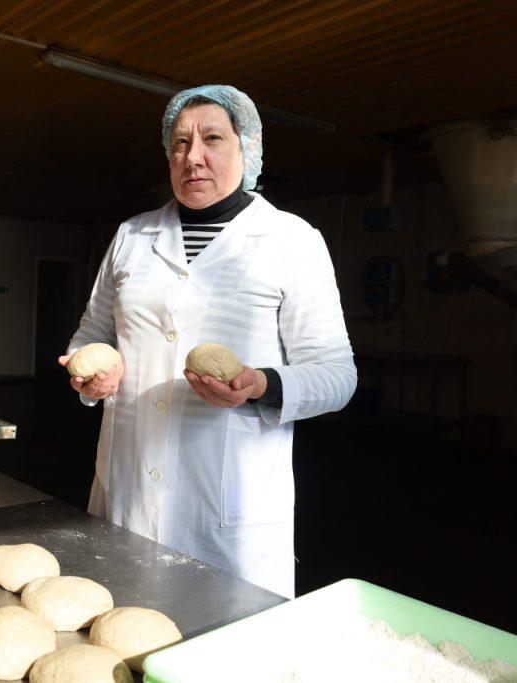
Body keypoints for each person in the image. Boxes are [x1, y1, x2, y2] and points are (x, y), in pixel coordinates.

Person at [61, 85, 356, 599]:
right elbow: (91, 336)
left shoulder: (292, 240)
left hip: (228, 509)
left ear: (248, 148)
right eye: (179, 143)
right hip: (126, 488)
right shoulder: (132, 235)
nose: (192, 156)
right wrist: (93, 374)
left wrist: (261, 384)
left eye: (212, 139)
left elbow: (337, 375)